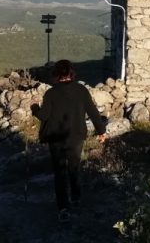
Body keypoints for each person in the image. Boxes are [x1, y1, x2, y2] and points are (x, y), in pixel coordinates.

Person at [31, 60, 107, 223]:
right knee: (74, 168)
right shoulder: (81, 90)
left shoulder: (50, 93)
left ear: (56, 75)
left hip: (56, 138)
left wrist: (34, 108)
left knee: (59, 173)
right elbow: (93, 113)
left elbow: (43, 116)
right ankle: (76, 199)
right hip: (77, 136)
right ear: (72, 74)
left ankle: (63, 208)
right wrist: (102, 132)